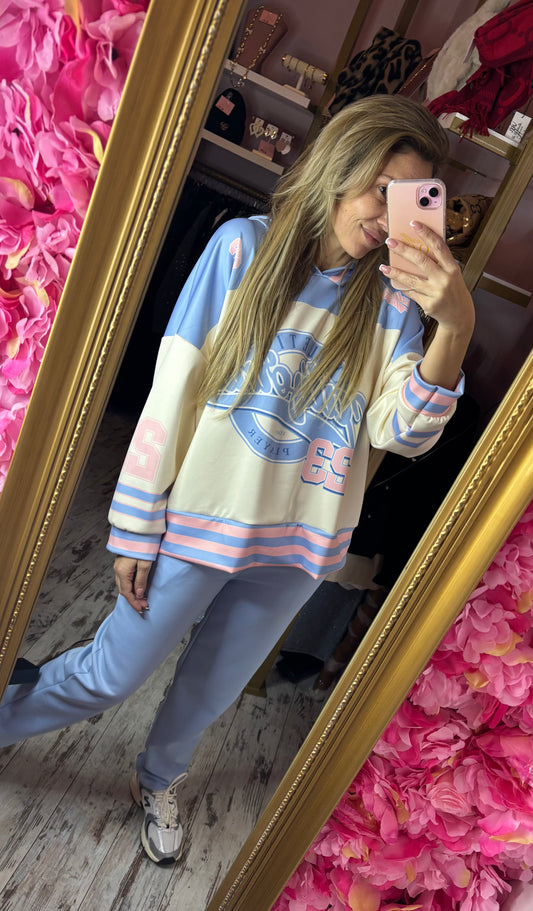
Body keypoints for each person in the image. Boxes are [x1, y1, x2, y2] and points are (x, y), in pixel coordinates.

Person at [0, 96, 475, 865]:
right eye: (379, 188)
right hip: (198, 521)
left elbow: (403, 432)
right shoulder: (240, 249)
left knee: (209, 692)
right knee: (110, 674)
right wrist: (134, 523)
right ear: (338, 168)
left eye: (407, 199)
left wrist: (452, 326)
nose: (387, 216)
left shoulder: (393, 303)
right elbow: (174, 388)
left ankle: (159, 777)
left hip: (298, 547)